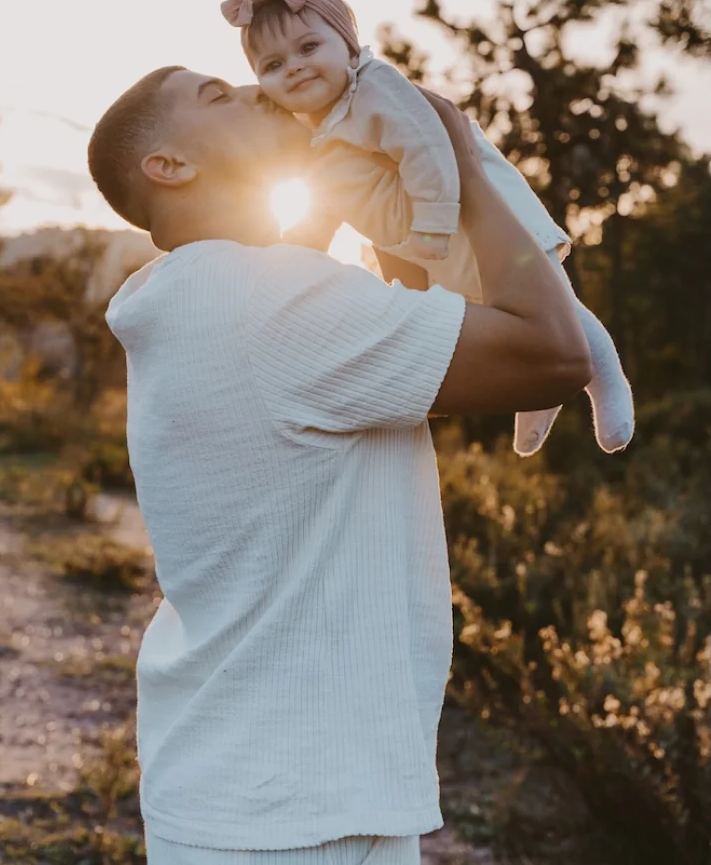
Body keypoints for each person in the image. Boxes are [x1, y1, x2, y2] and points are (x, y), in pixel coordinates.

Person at [87, 66, 591, 865]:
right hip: (290, 818)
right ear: (169, 166)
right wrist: (455, 161)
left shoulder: (199, 298)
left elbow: (398, 340)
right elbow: (555, 353)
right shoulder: (271, 302)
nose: (256, 89)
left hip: (273, 794)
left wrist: (360, 178)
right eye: (218, 97)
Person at [220, 0, 634, 458]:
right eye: (272, 65)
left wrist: (433, 227)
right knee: (499, 312)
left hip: (467, 210)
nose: (293, 67)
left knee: (546, 291)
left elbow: (429, 149)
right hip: (429, 237)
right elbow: (324, 205)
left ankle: (606, 381)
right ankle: (539, 390)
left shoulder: (374, 89)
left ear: (349, 47)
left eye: (309, 48)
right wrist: (283, 261)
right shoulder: (320, 130)